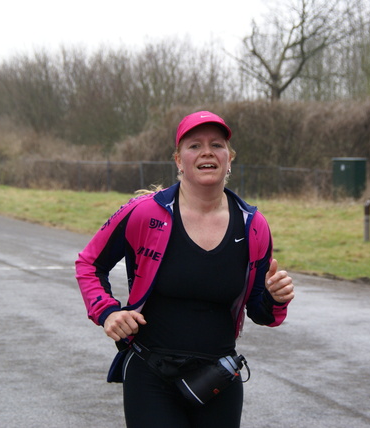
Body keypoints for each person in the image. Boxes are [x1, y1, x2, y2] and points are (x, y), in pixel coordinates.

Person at [75, 110, 295, 428]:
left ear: (229, 159)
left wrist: (276, 297)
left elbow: (262, 311)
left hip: (218, 378)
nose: (206, 152)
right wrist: (108, 312)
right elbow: (89, 264)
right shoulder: (143, 213)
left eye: (216, 144)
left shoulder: (253, 225)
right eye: (194, 145)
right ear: (179, 160)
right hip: (151, 375)